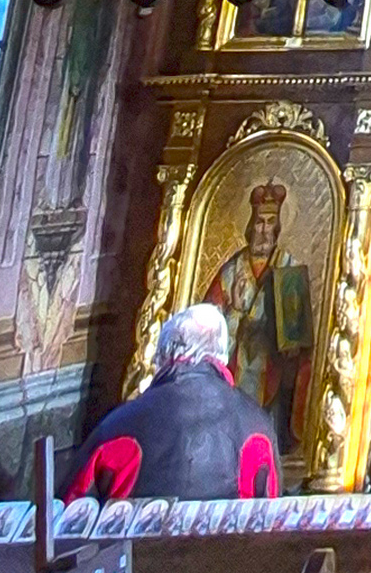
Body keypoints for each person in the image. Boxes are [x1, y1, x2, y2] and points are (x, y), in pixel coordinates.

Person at [71, 302, 282, 504]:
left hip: (138, 542)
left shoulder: (118, 426)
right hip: (231, 542)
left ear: (163, 356)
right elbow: (273, 522)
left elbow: (67, 516)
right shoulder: (258, 427)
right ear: (223, 356)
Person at [204, 177, 316, 450]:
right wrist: (235, 314)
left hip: (271, 368)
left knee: (264, 433)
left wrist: (290, 338)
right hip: (235, 367)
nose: (264, 230)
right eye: (259, 222)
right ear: (250, 225)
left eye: (269, 223)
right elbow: (208, 320)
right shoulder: (233, 269)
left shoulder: (287, 267)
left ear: (278, 227)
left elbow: (298, 331)